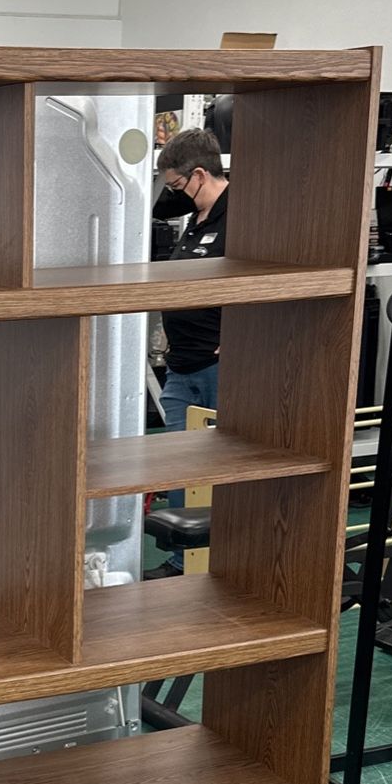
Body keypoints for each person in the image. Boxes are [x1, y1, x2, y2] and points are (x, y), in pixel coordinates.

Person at [145, 128, 229, 579]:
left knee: (218, 468)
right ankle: (183, 559)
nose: (174, 195)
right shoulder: (195, 219)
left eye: (177, 185)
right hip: (182, 364)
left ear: (199, 174)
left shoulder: (243, 217)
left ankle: (216, 559)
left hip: (221, 367)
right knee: (180, 462)